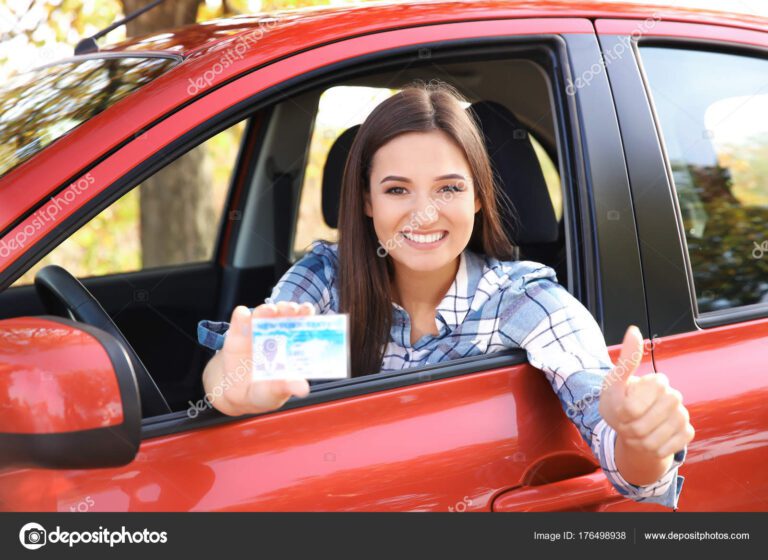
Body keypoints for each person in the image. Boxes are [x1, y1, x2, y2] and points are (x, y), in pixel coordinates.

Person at [197, 81, 694, 509]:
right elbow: (253, 363)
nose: (423, 214)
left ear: (479, 197)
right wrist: (233, 389)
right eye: (397, 190)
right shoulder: (330, 280)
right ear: (367, 201)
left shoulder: (520, 302)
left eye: (449, 189)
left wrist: (639, 440)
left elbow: (628, 462)